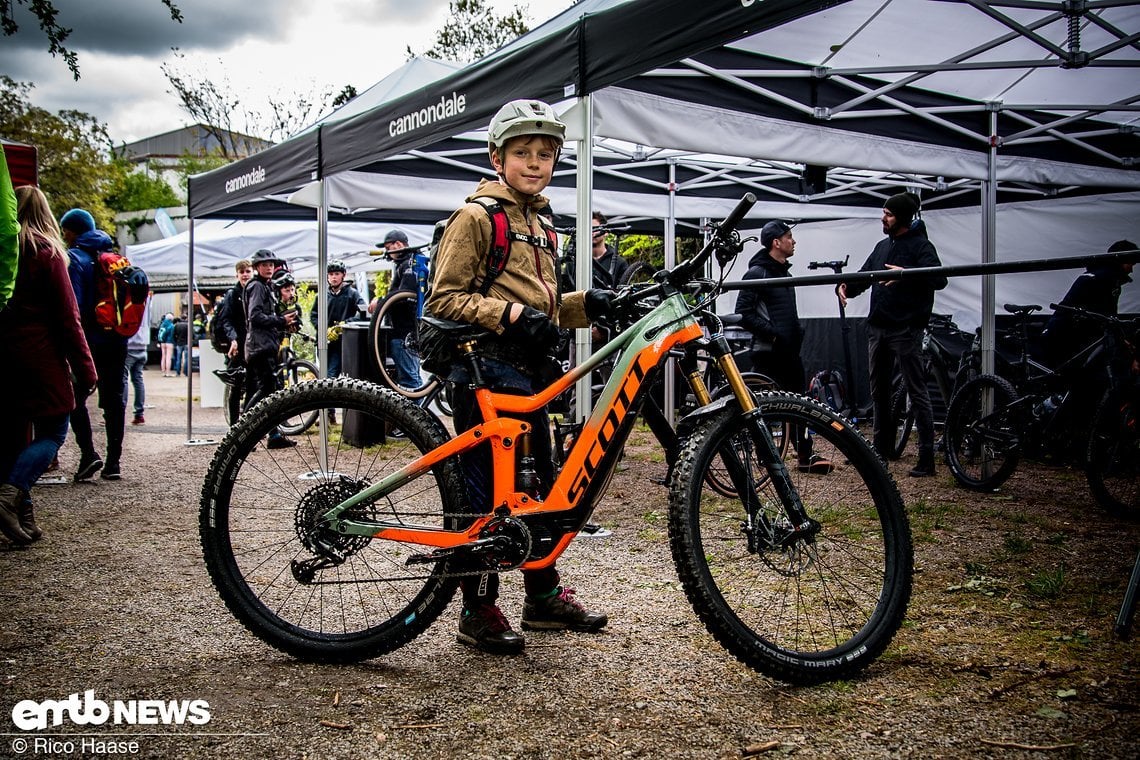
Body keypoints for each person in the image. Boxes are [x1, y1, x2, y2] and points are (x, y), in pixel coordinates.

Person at [425, 99, 615, 655]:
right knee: (488, 494)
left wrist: (591, 304)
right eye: (523, 153)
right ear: (497, 157)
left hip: (532, 375)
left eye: (546, 154)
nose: (535, 163)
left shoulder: (542, 223)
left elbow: (546, 311)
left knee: (543, 488)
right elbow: (446, 297)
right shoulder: (477, 217)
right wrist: (507, 315)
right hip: (484, 369)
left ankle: (543, 595)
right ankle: (477, 609)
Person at [0, 187, 97, 545]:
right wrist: (86, 368)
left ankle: (23, 520)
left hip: (5, 358)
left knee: (13, 438)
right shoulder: (47, 252)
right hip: (40, 358)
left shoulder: (6, 253)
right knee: (54, 431)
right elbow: (68, 318)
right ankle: (9, 496)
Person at [838, 192, 947, 477]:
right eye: (883, 212)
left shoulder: (922, 246)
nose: (882, 218)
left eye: (888, 214)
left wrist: (907, 273)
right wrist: (846, 287)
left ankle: (926, 457)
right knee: (879, 392)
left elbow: (940, 279)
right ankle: (879, 450)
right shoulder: (881, 246)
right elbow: (866, 275)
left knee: (917, 391)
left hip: (907, 329)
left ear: (902, 217)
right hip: (879, 328)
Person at [735, 220, 832, 474]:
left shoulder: (784, 273)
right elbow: (743, 313)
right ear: (776, 242)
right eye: (789, 236)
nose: (794, 241)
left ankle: (804, 455)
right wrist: (774, 335)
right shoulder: (757, 273)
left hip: (790, 354)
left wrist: (794, 333)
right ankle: (766, 458)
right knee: (763, 410)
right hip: (767, 355)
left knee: (800, 404)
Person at [61, 207, 130, 482]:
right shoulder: (114, 260)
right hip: (116, 340)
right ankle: (113, 462)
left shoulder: (73, 258)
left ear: (72, 230)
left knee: (74, 399)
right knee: (114, 402)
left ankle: (88, 453)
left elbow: (73, 306)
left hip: (89, 342)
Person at [1037, 239, 1136, 366]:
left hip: (1061, 329)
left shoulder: (1095, 275)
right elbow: (1109, 315)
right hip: (1069, 334)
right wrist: (1121, 340)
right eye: (1130, 264)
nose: (1131, 270)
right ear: (1120, 260)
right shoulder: (1107, 280)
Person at [242, 248, 298, 449]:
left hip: (264, 345)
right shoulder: (257, 286)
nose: (268, 268)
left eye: (271, 265)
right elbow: (255, 316)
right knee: (266, 389)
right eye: (265, 265)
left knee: (271, 391)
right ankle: (242, 427)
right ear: (257, 267)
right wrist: (280, 320)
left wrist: (283, 323)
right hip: (260, 347)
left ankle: (273, 434)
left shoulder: (265, 286)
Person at [369, 232, 423, 388]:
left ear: (399, 245)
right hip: (404, 333)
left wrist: (381, 302)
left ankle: (414, 412)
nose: (387, 252)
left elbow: (404, 297)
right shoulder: (406, 264)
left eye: (388, 247)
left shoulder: (410, 265)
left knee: (409, 380)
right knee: (408, 378)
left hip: (404, 333)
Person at [309, 259, 366, 380]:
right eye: (331, 274)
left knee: (330, 375)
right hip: (324, 342)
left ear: (343, 275)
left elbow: (364, 313)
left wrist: (345, 325)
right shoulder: (322, 295)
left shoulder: (352, 294)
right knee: (324, 374)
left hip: (342, 343)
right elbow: (313, 315)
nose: (333, 277)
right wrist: (323, 329)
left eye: (337, 274)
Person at [214, 259, 252, 422]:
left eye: (247, 271)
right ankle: (235, 425)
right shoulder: (232, 294)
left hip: (252, 346)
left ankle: (249, 425)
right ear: (237, 274)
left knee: (252, 386)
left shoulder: (254, 291)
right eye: (242, 272)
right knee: (236, 388)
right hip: (237, 347)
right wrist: (233, 339)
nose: (245, 275)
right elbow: (226, 320)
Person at [123, 292, 152, 425]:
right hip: (143, 343)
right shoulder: (147, 299)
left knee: (122, 380)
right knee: (138, 379)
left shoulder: (129, 297)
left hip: (129, 343)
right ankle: (139, 414)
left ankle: (118, 413)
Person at [157, 312, 175, 376]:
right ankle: (168, 372)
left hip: (162, 342)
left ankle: (163, 372)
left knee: (163, 356)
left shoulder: (162, 324)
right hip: (169, 342)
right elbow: (172, 334)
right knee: (168, 357)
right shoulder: (171, 325)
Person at [172, 311, 189, 377]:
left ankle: (178, 372)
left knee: (178, 358)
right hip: (187, 343)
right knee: (187, 358)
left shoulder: (177, 325)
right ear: (186, 318)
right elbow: (192, 335)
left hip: (179, 343)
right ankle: (186, 372)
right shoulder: (188, 325)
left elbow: (173, 335)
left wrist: (176, 341)